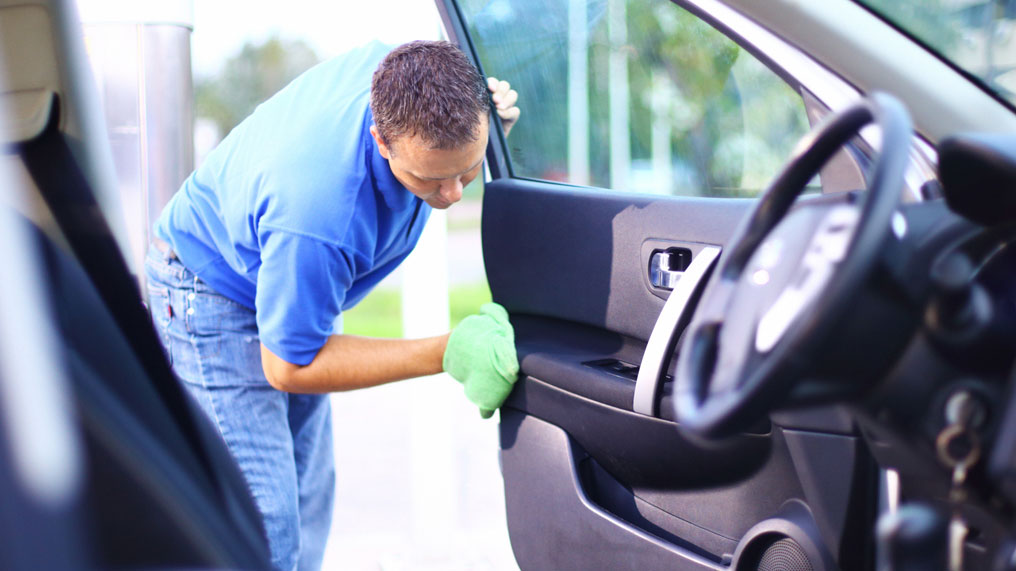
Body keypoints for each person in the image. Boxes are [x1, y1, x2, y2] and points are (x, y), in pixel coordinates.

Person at [144, 40, 521, 571]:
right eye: (430, 180)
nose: (454, 195)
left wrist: (489, 136)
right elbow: (290, 365)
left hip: (285, 266)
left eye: (467, 171)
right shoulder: (316, 209)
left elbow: (449, 145)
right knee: (266, 529)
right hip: (213, 291)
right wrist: (447, 351)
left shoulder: (416, 79)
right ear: (381, 141)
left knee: (307, 499)